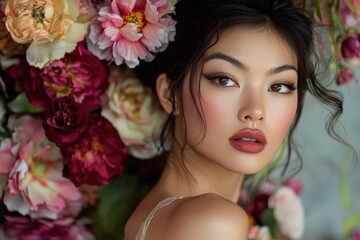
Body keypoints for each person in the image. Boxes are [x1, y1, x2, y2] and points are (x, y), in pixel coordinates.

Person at [124, 0, 344, 239]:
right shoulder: (213, 223)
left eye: (280, 86)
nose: (256, 110)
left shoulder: (150, 216)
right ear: (170, 94)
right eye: (225, 80)